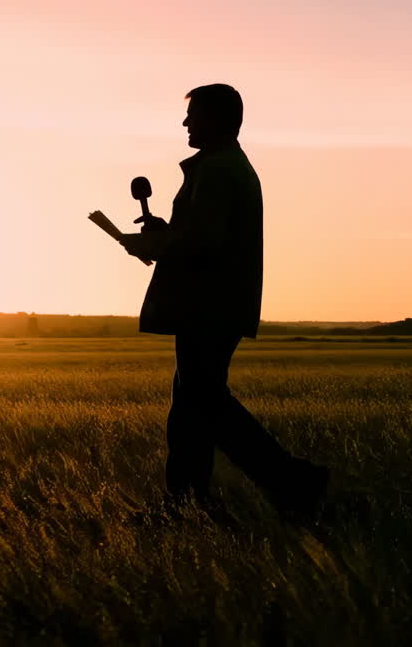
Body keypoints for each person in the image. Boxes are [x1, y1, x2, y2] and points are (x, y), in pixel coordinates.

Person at [119, 84, 329, 518]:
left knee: (204, 404)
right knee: (193, 408)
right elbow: (202, 235)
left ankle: (292, 480)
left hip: (205, 305)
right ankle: (186, 503)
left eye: (193, 115)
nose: (185, 123)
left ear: (216, 119)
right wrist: (164, 231)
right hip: (219, 304)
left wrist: (156, 244)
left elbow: (205, 245)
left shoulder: (216, 170)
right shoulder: (231, 166)